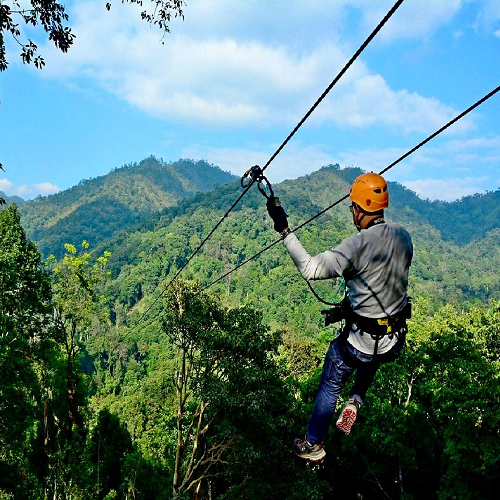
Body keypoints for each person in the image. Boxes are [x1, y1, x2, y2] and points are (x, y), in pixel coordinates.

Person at [266, 172, 413, 462]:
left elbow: (309, 268)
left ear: (359, 210)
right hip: (394, 339)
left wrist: (284, 230)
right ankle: (357, 396)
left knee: (336, 367)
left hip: (361, 343)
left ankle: (312, 444)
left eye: (352, 209)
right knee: (374, 354)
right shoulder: (403, 236)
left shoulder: (355, 247)